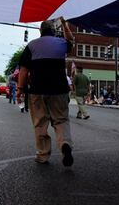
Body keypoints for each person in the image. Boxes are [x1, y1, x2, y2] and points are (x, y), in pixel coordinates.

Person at [16, 18, 75, 167]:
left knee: (40, 123)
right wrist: (64, 24)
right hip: (59, 90)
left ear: (40, 31)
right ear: (54, 31)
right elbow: (71, 40)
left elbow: (23, 70)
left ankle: (43, 155)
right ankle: (64, 144)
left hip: (38, 89)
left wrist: (20, 89)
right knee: (61, 120)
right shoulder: (62, 44)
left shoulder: (31, 45)